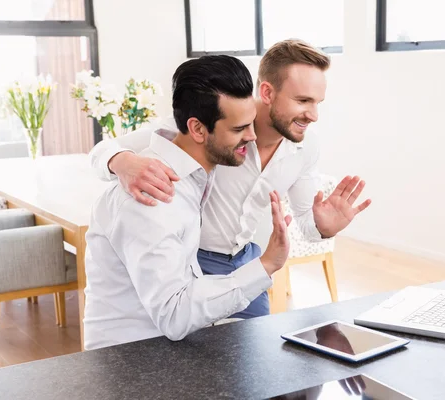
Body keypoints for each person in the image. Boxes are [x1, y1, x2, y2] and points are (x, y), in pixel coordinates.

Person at [89, 39, 371, 319]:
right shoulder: (211, 124)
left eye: (318, 102)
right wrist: (123, 162)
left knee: (257, 351)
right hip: (194, 259)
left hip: (247, 260)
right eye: (303, 101)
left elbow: (307, 226)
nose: (314, 115)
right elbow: (102, 150)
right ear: (267, 92)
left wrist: (324, 227)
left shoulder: (306, 148)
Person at [83, 55, 291, 350]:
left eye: (251, 123)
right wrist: (267, 264)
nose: (252, 136)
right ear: (197, 129)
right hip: (131, 364)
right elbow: (175, 315)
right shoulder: (154, 195)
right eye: (238, 129)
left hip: (164, 348)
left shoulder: (188, 168)